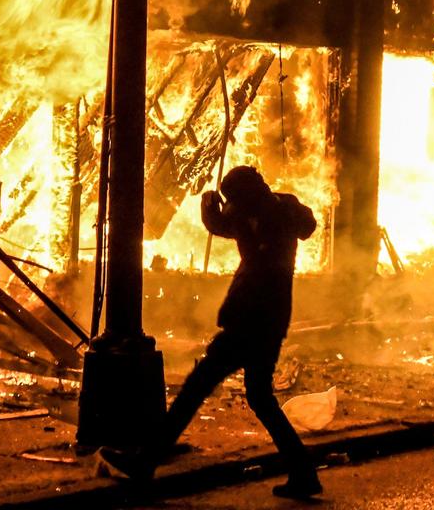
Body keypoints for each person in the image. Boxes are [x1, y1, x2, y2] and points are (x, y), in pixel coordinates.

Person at [97, 165, 323, 499]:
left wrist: (208, 203)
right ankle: (303, 472)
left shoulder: (253, 219)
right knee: (259, 397)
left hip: (248, 322)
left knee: (195, 389)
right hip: (271, 321)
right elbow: (306, 224)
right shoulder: (282, 209)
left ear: (242, 198)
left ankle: (145, 463)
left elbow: (217, 224)